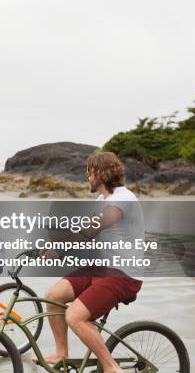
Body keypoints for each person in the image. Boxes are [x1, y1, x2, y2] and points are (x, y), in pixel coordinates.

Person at [39, 152, 144, 373]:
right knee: (53, 296)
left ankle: (111, 367)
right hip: (101, 269)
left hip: (123, 275)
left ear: (102, 173)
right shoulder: (102, 200)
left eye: (90, 171)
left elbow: (92, 230)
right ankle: (61, 354)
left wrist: (60, 249)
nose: (87, 176)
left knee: (74, 317)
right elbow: (82, 231)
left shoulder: (122, 199)